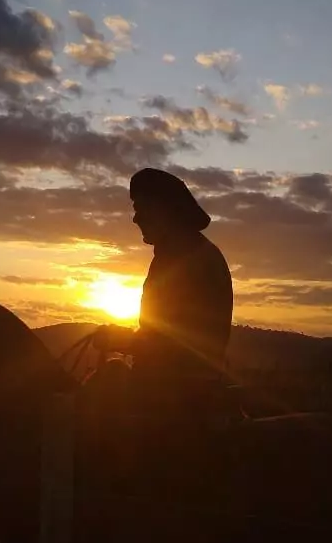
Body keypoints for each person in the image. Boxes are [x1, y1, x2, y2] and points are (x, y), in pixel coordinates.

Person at [91, 167, 234, 417]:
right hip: (183, 386)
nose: (136, 219)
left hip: (174, 394)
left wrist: (119, 340)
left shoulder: (184, 258)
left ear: (164, 210)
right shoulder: (187, 252)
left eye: (141, 208)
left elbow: (172, 343)